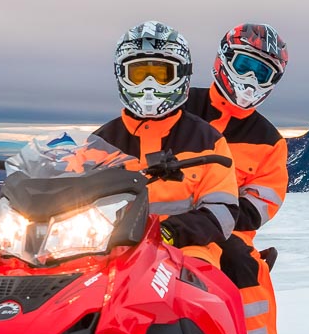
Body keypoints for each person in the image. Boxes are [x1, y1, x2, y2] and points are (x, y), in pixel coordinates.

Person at [183, 23, 290, 334]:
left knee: (243, 264)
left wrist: (216, 220)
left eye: (262, 72)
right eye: (245, 64)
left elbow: (265, 198)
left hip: (224, 233)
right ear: (224, 59)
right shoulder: (180, 107)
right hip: (154, 220)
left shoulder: (269, 141)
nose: (250, 79)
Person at [91, 21, 241, 269]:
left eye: (161, 74)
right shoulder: (100, 143)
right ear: (122, 75)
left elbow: (222, 212)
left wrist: (170, 232)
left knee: (188, 301)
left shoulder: (207, 140)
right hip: (109, 253)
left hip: (189, 255)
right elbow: (70, 200)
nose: (149, 85)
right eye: (139, 74)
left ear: (181, 75)